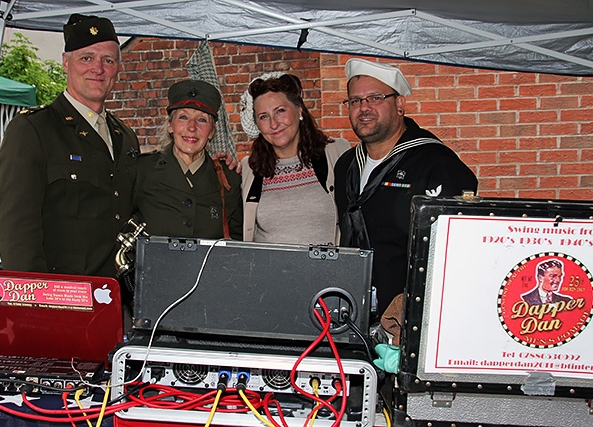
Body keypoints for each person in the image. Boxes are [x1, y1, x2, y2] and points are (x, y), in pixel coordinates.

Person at [0, 14, 139, 280]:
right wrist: (34, 301)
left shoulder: (125, 137)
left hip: (116, 296)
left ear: (118, 68)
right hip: (61, 297)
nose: (98, 69)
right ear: (65, 62)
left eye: (108, 60)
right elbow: (17, 230)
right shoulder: (34, 130)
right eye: (86, 58)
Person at [334, 58, 478, 318]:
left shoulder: (436, 163)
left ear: (400, 104)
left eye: (375, 98)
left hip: (412, 317)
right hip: (352, 311)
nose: (363, 108)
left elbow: (454, 253)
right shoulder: (346, 165)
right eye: (355, 101)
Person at [240, 73, 350, 245]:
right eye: (263, 116)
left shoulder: (337, 153)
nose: (273, 124)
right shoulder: (249, 169)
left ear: (299, 110)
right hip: (267, 271)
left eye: (280, 111)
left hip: (326, 270)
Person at [134, 80, 243, 239]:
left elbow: (237, 242)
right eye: (183, 117)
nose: (192, 127)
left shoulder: (228, 179)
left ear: (211, 131)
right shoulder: (141, 170)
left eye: (202, 120)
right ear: (170, 125)